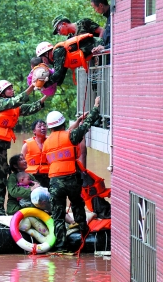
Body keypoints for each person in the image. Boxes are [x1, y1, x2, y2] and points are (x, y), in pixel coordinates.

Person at [0, 80, 47, 223]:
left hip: (2, 149)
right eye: (9, 88)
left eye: (12, 88)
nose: (12, 90)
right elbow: (18, 100)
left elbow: (31, 108)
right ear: (1, 92)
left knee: (0, 180)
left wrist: (46, 96)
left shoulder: (15, 107)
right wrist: (32, 86)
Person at [42, 96, 101, 252]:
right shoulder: (70, 136)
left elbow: (63, 135)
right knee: (77, 205)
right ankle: (84, 233)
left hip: (54, 181)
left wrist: (78, 121)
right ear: (62, 123)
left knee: (58, 214)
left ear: (49, 127)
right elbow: (86, 125)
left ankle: (61, 247)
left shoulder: (46, 142)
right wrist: (95, 106)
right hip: (71, 178)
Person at [22, 119, 50, 188]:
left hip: (49, 176)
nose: (43, 128)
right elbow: (21, 163)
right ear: (34, 131)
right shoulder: (26, 145)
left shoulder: (51, 142)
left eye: (44, 126)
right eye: (40, 126)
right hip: (33, 177)